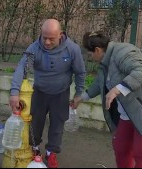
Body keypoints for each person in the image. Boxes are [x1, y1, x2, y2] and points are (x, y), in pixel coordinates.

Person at [72, 31, 142, 168]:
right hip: (128, 112)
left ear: (97, 50)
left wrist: (117, 89)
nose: (90, 58)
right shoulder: (105, 62)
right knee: (121, 146)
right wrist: (81, 98)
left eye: (90, 55)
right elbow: (99, 83)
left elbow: (141, 71)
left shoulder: (123, 51)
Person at [9, 19, 86, 168]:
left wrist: (78, 93)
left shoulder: (72, 49)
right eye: (45, 37)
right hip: (40, 92)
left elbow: (80, 72)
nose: (47, 42)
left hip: (61, 93)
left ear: (60, 35)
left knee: (57, 125)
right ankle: (35, 149)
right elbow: (22, 69)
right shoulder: (34, 49)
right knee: (35, 123)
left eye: (51, 38)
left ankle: (51, 153)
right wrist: (14, 92)